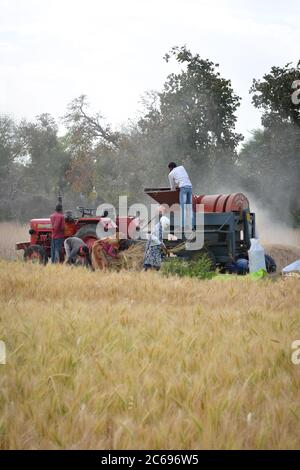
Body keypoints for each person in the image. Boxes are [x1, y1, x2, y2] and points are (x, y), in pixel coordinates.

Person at [168, 162, 195, 233]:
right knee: (189, 208)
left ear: (170, 168)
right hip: (190, 187)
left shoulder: (170, 174)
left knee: (182, 208)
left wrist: (176, 187)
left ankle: (182, 227)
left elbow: (172, 188)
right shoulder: (181, 167)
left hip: (183, 188)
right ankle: (192, 227)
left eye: (169, 169)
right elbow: (184, 178)